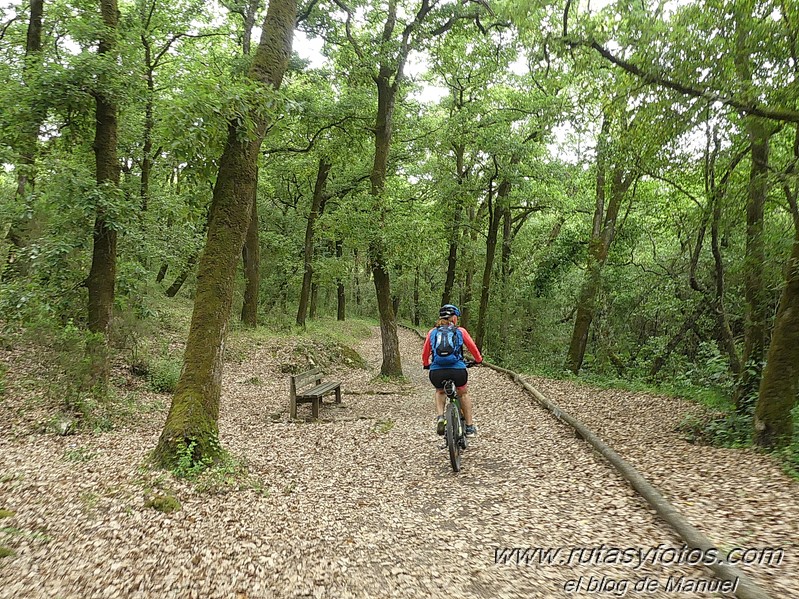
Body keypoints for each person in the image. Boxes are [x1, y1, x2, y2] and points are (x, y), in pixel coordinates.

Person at [422, 304, 482, 437]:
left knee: (439, 391)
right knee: (463, 394)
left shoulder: (432, 332)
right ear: (453, 318)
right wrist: (478, 360)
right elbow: (473, 348)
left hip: (437, 372)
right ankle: (470, 427)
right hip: (458, 371)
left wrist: (426, 364)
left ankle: (440, 418)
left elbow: (425, 353)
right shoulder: (460, 331)